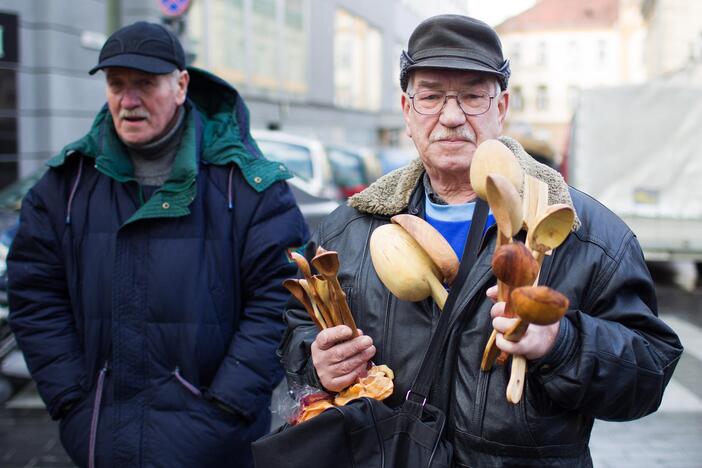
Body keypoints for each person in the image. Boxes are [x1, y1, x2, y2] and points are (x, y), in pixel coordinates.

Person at [280, 14, 683, 467]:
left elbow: (649, 375)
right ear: (406, 108)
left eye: (473, 97)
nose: (451, 117)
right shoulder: (350, 229)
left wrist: (562, 343)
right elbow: (299, 326)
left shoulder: (582, 232)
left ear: (502, 107)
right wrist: (316, 361)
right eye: (431, 97)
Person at [8, 21, 308, 468]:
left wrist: (225, 404)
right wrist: (72, 399)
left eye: (145, 84)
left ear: (181, 84)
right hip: (98, 440)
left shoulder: (247, 186)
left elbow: (283, 296)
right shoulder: (64, 186)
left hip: (216, 444)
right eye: (116, 85)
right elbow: (33, 293)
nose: (128, 101)